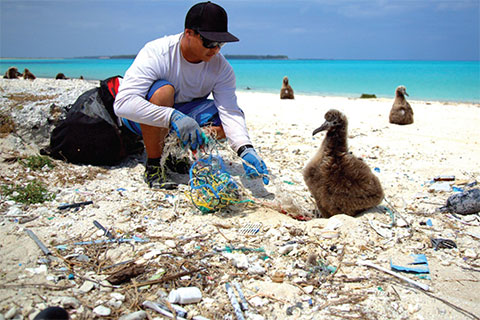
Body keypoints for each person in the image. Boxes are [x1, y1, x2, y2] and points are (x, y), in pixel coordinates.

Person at [114, 1, 269, 189]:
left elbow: (230, 111)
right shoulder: (158, 52)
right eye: (210, 42)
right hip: (143, 118)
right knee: (164, 91)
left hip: (183, 118)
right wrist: (172, 116)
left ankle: (172, 153)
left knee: (223, 121)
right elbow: (122, 104)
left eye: (221, 43)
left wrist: (245, 148)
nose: (216, 49)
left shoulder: (221, 68)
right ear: (189, 33)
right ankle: (154, 165)